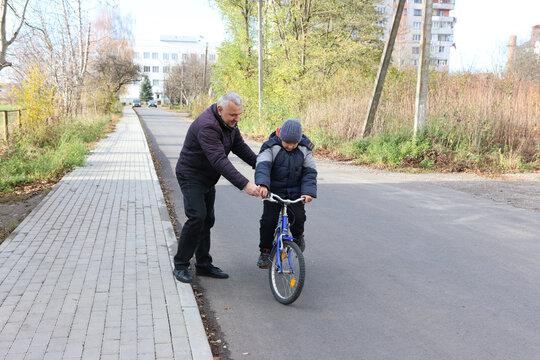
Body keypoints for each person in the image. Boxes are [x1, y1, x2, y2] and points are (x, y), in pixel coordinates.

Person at [173, 92, 260, 283]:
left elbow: (240, 147)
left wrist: (261, 165)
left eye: (239, 115)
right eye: (233, 115)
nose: (237, 119)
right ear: (220, 110)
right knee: (197, 217)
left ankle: (203, 265)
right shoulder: (207, 125)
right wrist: (245, 184)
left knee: (207, 220)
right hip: (191, 175)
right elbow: (219, 160)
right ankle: (180, 264)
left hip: (207, 178)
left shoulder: (228, 124)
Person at [254, 118, 317, 268]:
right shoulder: (271, 146)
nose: (290, 146)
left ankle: (298, 237)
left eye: (293, 143)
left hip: (295, 193)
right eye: (287, 142)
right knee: (268, 221)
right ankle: (265, 251)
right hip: (274, 192)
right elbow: (263, 165)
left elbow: (310, 172)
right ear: (281, 137)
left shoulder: (304, 149)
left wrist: (308, 192)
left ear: (299, 140)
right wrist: (263, 184)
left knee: (299, 217)